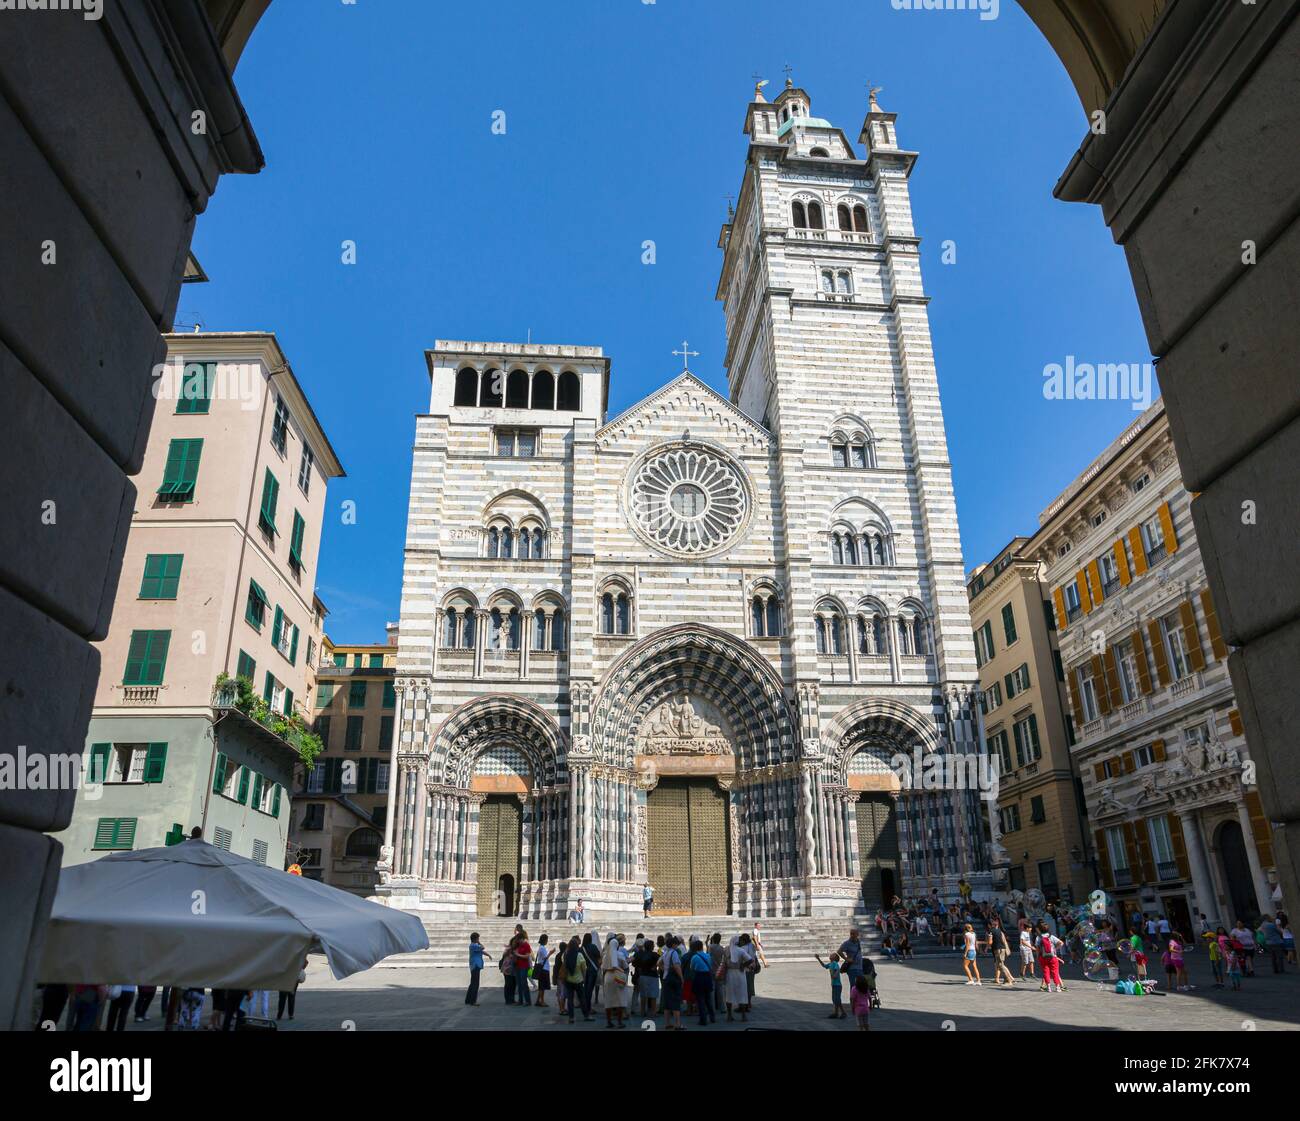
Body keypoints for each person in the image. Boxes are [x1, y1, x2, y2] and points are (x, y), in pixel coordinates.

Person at [600, 933, 628, 1028]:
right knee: (620, 1000)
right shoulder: (619, 954)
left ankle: (609, 1021)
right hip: (617, 977)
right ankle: (619, 1021)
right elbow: (625, 966)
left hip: (608, 976)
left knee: (609, 1000)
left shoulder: (605, 956)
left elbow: (603, 967)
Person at [725, 933, 755, 1022]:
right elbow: (751, 960)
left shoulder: (726, 949)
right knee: (742, 994)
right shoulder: (741, 950)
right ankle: (743, 1016)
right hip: (740, 974)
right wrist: (743, 965)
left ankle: (729, 1015)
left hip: (730, 974)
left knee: (729, 995)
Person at [563, 936, 591, 1023]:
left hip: (568, 980)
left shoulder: (566, 955)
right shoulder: (580, 956)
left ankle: (571, 1017)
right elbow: (584, 969)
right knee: (582, 999)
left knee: (570, 1000)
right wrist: (584, 978)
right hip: (578, 981)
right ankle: (586, 1015)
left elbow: (564, 966)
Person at [689, 939, 716, 1025]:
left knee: (700, 999)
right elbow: (711, 966)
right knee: (708, 999)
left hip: (699, 977)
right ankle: (712, 1017)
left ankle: (703, 1019)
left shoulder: (694, 957)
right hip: (707, 977)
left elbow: (692, 968)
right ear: (701, 947)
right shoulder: (708, 956)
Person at [660, 935, 684, 1030]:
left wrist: (664, 969)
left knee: (667, 1002)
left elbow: (659, 963)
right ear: (673, 944)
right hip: (673, 979)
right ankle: (677, 1024)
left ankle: (667, 1023)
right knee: (675, 1001)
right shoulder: (674, 953)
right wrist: (681, 978)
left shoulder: (665, 953)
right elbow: (676, 966)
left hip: (666, 978)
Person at [815, 951, 846, 1018]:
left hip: (837, 985)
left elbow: (837, 970)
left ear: (834, 957)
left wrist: (834, 975)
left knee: (837, 999)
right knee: (835, 999)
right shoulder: (831, 964)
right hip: (834, 984)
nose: (830, 955)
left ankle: (842, 1012)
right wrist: (818, 959)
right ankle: (836, 1013)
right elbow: (824, 965)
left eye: (832, 954)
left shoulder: (835, 964)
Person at [985, 917, 1016, 985]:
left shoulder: (991, 931)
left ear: (990, 925)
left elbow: (990, 942)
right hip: (1002, 949)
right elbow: (1003, 940)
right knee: (1000, 964)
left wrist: (986, 945)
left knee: (1001, 965)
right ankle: (1007, 979)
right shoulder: (999, 930)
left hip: (997, 949)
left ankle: (1009, 980)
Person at [1037, 922, 1064, 993]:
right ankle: (1057, 987)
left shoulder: (1038, 937)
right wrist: (1055, 949)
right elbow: (1061, 943)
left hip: (1043, 957)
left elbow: (1037, 948)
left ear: (1040, 930)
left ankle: (1048, 987)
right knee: (1055, 972)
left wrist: (1038, 956)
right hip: (1053, 957)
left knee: (1046, 972)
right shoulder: (1051, 937)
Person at [513, 929, 533, 1006]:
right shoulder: (520, 945)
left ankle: (528, 1001)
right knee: (519, 984)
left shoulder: (526, 945)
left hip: (524, 967)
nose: (518, 941)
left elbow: (527, 956)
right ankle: (520, 1000)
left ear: (522, 938)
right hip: (518, 966)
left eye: (518, 940)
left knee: (524, 984)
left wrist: (518, 955)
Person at [466, 931, 485, 1006]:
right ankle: (473, 1001)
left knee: (472, 983)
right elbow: (483, 947)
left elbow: (481, 951)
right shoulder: (474, 945)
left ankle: (468, 999)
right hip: (475, 965)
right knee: (475, 984)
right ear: (475, 939)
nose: (478, 939)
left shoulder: (473, 946)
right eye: (478, 938)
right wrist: (479, 942)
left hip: (474, 965)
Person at [534, 933, 551, 1007]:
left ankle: (538, 1000)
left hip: (542, 968)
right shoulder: (542, 948)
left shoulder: (541, 947)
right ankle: (542, 1001)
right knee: (542, 987)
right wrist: (551, 953)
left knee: (541, 986)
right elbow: (545, 958)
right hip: (544, 969)